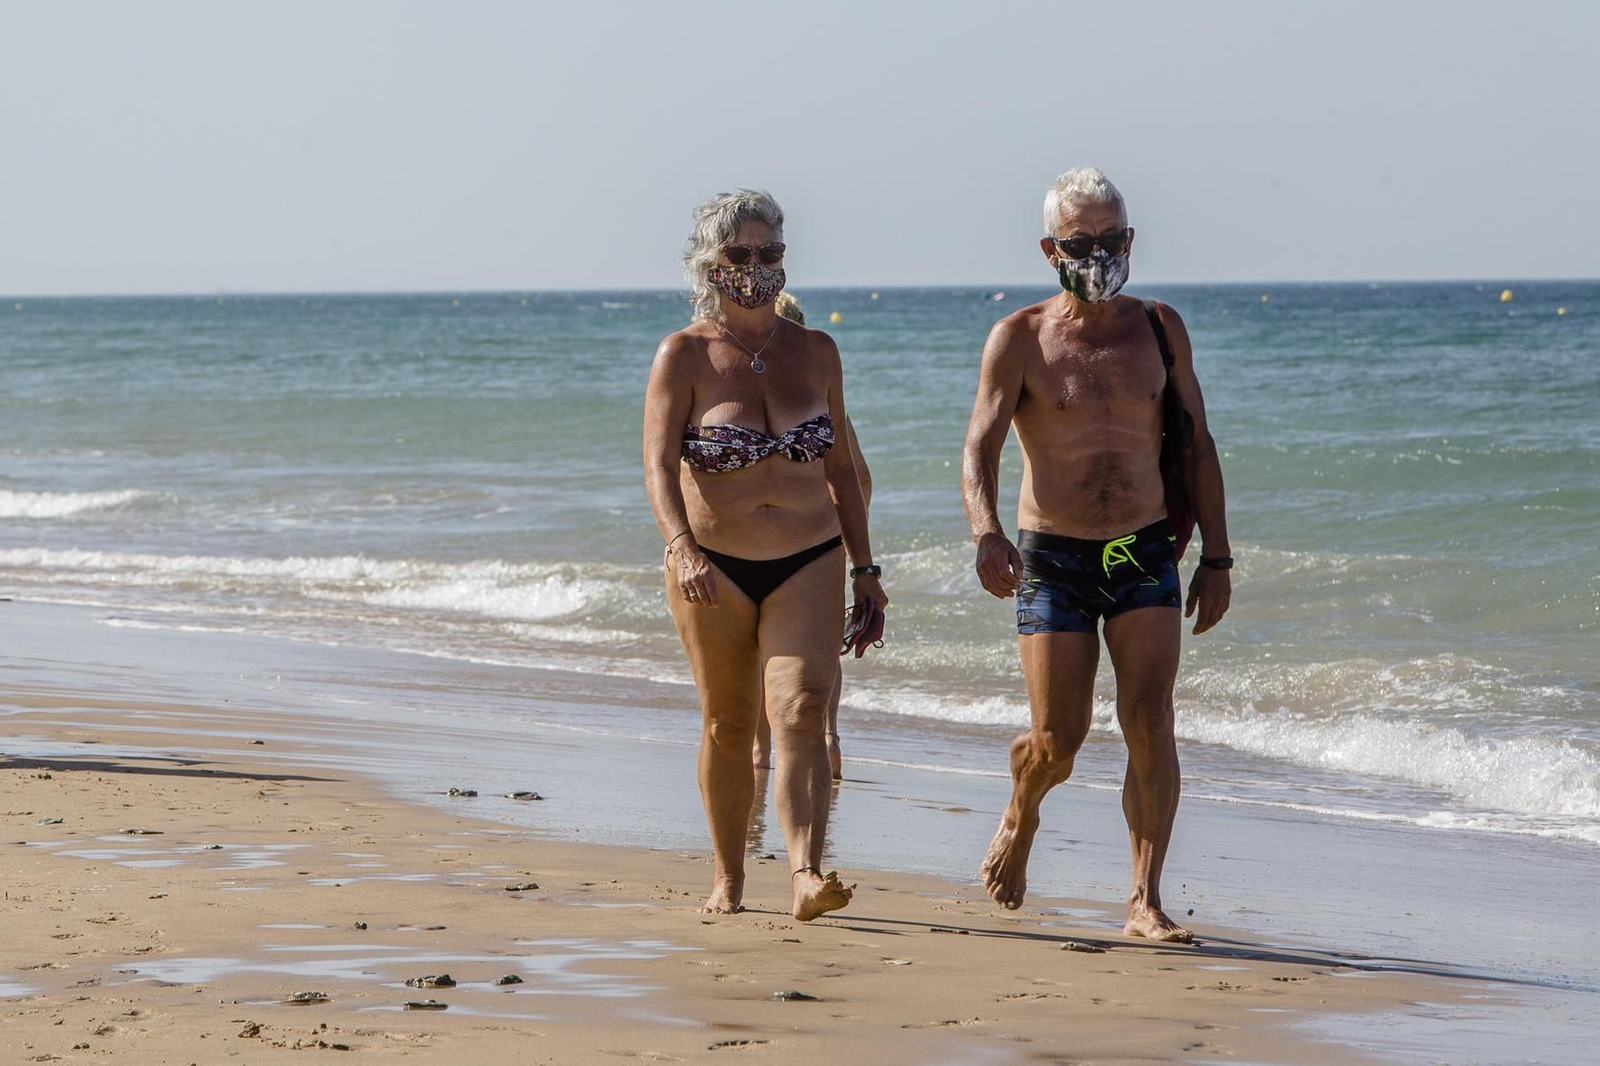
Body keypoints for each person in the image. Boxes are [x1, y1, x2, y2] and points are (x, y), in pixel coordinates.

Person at [960, 168, 1232, 942]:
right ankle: (1023, 809)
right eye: (1081, 243)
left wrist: (1217, 557)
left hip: (1142, 550)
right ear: (1051, 248)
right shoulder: (1019, 338)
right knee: (1059, 741)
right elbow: (978, 449)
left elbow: (1199, 445)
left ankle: (1144, 900)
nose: (1100, 254)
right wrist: (986, 530)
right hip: (1053, 558)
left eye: (1112, 240)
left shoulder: (1159, 328)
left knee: (1151, 719)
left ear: (1131, 241)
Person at [643, 189, 886, 920]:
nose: (757, 268)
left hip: (809, 557)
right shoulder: (683, 355)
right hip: (712, 564)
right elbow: (657, 466)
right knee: (726, 721)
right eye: (741, 255)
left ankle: (807, 873)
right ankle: (728, 878)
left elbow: (844, 471)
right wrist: (680, 545)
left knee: (804, 707)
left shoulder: (816, 352)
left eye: (770, 253)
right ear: (712, 265)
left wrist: (868, 572)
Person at [752, 291, 873, 779]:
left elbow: (854, 476)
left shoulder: (811, 404)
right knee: (813, 646)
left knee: (780, 650)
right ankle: (825, 738)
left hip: (811, 544)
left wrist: (842, 534)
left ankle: (773, 751)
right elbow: (861, 477)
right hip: (810, 541)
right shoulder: (817, 401)